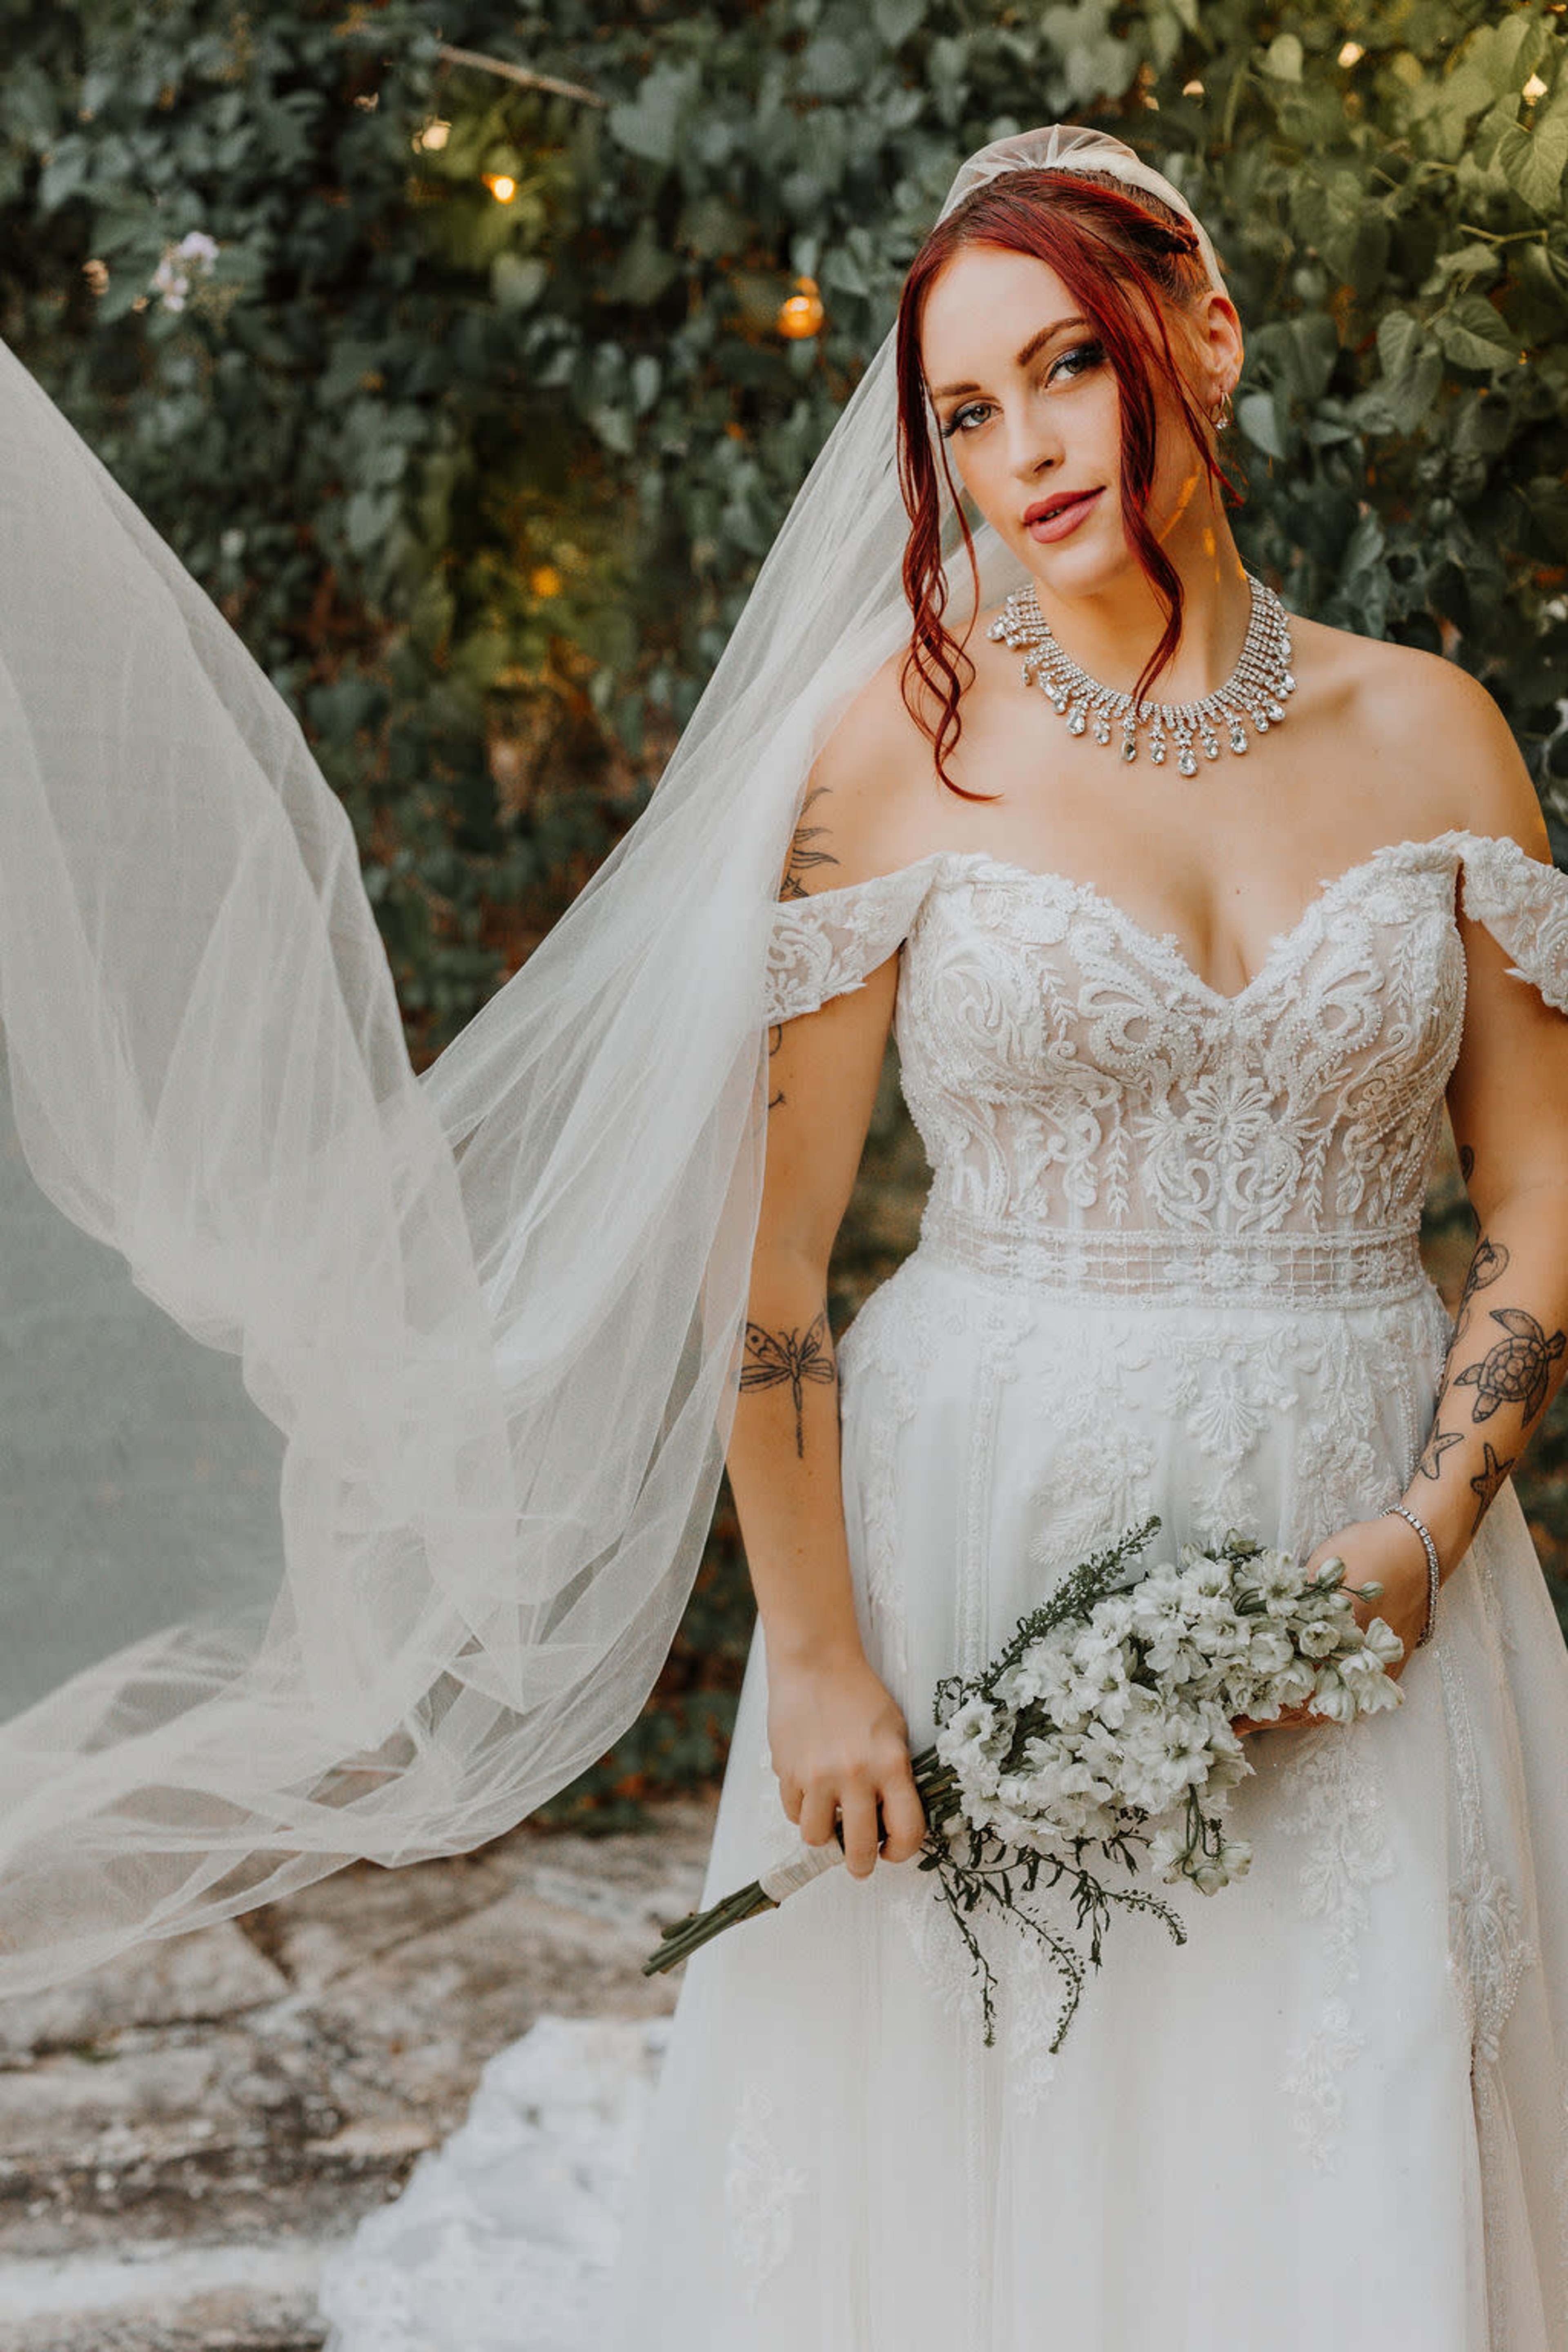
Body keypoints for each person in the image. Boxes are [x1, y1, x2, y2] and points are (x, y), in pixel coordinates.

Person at [2, 122, 1567, 2350]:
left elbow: (1536, 1186)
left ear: (1202, 339)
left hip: (1376, 1543)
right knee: (995, 2119)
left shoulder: (1441, 739)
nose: (1023, 451)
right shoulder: (892, 760)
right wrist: (818, 1652)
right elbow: (778, 1267)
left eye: (1070, 371)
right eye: (963, 411)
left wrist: (1424, 1531)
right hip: (979, 1527)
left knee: (1363, 2098)